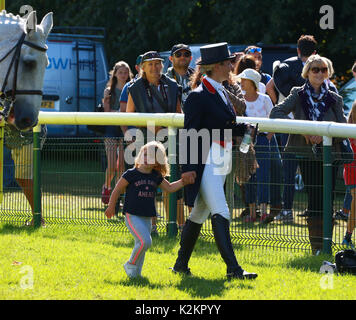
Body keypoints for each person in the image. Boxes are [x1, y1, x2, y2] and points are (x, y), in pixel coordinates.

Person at [172, 42, 257, 280]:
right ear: (217, 66)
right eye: (228, 62)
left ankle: (180, 265)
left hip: (221, 158)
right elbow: (189, 134)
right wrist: (188, 170)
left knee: (199, 213)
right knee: (221, 210)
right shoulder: (199, 96)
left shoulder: (220, 91)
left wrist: (244, 129)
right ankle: (234, 269)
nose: (232, 65)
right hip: (207, 161)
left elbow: (224, 125)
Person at [269, 54, 347, 255]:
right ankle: (316, 248)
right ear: (307, 73)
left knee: (327, 199)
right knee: (313, 198)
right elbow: (276, 112)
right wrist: (302, 130)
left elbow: (343, 127)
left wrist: (325, 135)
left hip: (330, 156)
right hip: (305, 154)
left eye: (323, 69)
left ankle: (327, 245)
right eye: (315, 69)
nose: (320, 73)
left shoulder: (334, 98)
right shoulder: (297, 93)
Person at [105, 141, 196, 278]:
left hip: (147, 216)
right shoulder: (131, 174)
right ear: (140, 155)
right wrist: (111, 206)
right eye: (145, 155)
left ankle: (135, 275)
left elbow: (170, 188)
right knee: (145, 242)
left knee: (141, 245)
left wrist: (184, 182)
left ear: (157, 162)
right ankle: (130, 263)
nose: (147, 159)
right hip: (132, 215)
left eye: (152, 157)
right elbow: (117, 189)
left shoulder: (156, 176)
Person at [126, 50, 183, 235]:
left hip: (169, 141)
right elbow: (130, 116)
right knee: (146, 185)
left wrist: (168, 126)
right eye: (150, 64)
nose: (155, 67)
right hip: (145, 141)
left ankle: (176, 225)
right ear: (143, 67)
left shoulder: (173, 86)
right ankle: (151, 227)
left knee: (171, 181)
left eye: (157, 63)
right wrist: (152, 125)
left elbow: (178, 112)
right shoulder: (134, 88)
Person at [268, 35, 318, 222]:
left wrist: (277, 103)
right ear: (314, 52)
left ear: (298, 50)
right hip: (312, 124)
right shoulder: (318, 68)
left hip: (288, 122)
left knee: (288, 168)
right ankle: (315, 208)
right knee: (313, 168)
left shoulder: (284, 66)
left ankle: (287, 209)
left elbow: (269, 86)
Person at [236, 68, 279, 222]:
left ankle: (263, 212)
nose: (241, 82)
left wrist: (267, 137)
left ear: (252, 83)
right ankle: (252, 213)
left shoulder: (265, 99)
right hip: (245, 140)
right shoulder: (239, 100)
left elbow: (273, 120)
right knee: (248, 175)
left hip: (261, 140)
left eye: (244, 80)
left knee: (263, 175)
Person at [101, 61, 134, 205]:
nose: (123, 75)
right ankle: (107, 187)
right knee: (112, 165)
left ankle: (117, 196)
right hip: (111, 129)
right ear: (115, 74)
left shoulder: (131, 89)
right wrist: (121, 113)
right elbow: (106, 112)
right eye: (120, 72)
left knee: (121, 166)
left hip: (125, 128)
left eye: (126, 72)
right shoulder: (109, 90)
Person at [3, 123, 47, 226]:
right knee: (22, 178)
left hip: (30, 138)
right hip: (16, 139)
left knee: (24, 178)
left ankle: (38, 219)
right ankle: (37, 218)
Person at [342, 100, 356, 249]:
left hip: (351, 169)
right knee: (355, 205)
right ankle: (348, 236)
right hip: (352, 170)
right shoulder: (347, 127)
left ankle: (348, 236)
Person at [166, 44, 195, 108]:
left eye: (186, 54)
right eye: (178, 55)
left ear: (191, 58)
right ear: (171, 58)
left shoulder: (198, 79)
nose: (182, 57)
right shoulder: (164, 81)